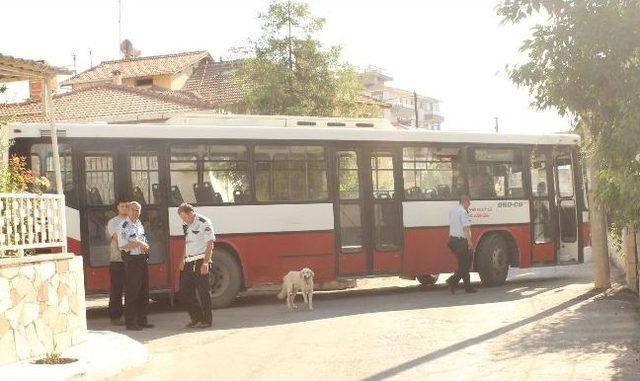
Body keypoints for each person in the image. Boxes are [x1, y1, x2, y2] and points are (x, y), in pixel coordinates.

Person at [177, 203, 216, 329]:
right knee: (185, 290)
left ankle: (207, 320)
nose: (183, 220)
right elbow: (187, 243)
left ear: (191, 213)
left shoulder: (204, 222)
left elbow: (210, 243)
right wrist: (182, 259)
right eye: (182, 218)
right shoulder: (185, 224)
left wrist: (206, 262)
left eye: (184, 217)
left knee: (203, 291)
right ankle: (196, 317)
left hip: (200, 259)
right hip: (189, 260)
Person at [118, 201, 153, 331]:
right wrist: (138, 244)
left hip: (142, 259)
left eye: (138, 210)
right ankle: (130, 323)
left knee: (144, 291)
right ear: (128, 210)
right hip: (132, 260)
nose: (135, 212)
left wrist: (145, 246)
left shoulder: (139, 224)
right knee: (132, 292)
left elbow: (143, 240)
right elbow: (123, 246)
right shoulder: (124, 225)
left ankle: (142, 320)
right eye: (133, 210)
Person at [446, 194, 477, 294]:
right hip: (461, 241)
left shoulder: (453, 210)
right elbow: (466, 228)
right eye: (469, 202)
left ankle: (468, 287)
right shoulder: (463, 212)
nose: (470, 204)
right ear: (465, 201)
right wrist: (469, 242)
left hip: (453, 241)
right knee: (466, 264)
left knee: (462, 264)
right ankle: (452, 280)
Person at [106, 198, 129, 326]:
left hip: (132, 260)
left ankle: (131, 316)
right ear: (118, 208)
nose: (125, 208)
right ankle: (115, 317)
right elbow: (116, 237)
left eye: (127, 206)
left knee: (132, 289)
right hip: (117, 260)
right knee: (117, 290)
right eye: (122, 206)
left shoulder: (134, 221)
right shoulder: (113, 222)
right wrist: (133, 242)